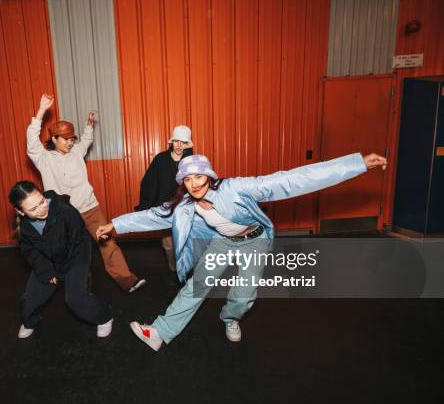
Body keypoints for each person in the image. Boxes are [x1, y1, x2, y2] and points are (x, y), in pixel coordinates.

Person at [97, 152, 387, 351]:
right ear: (182, 184)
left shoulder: (236, 189)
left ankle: (231, 317)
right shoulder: (183, 206)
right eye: (188, 179)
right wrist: (115, 224)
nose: (195, 183)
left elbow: (290, 180)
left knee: (244, 295)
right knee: (196, 287)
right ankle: (160, 333)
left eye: (199, 177)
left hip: (255, 241)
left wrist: (357, 163)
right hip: (224, 243)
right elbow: (150, 216)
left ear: (209, 176)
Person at [26, 93, 145, 293]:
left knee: (108, 244)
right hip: (65, 214)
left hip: (90, 208)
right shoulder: (44, 159)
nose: (70, 143)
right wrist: (41, 111)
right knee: (75, 253)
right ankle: (81, 289)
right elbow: (31, 141)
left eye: (71, 139)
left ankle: (127, 280)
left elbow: (86, 140)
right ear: (54, 139)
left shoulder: (76, 152)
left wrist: (89, 124)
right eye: (64, 140)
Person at [9, 180, 113, 339]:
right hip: (48, 259)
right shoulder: (24, 227)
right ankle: (30, 321)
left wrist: (63, 272)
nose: (42, 209)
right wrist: (46, 271)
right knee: (30, 300)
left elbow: (76, 241)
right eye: (33, 208)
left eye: (41, 202)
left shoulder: (64, 211)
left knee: (75, 298)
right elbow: (30, 251)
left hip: (76, 253)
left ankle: (105, 317)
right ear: (21, 212)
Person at [134, 125, 193, 271]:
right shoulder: (160, 159)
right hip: (166, 209)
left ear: (188, 144)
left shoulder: (192, 161)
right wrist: (145, 207)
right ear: (171, 142)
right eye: (176, 141)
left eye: (183, 142)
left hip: (186, 208)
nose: (179, 145)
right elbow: (148, 183)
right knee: (168, 246)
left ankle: (187, 271)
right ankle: (174, 272)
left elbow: (200, 184)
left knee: (187, 243)